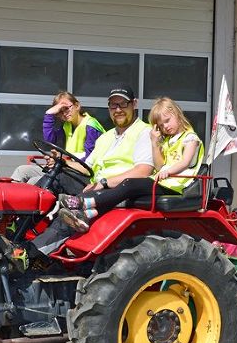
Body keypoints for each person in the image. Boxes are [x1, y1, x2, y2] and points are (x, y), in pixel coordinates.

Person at [26, 87, 154, 256]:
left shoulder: (145, 132)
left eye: (123, 104)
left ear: (134, 104)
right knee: (56, 178)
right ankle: (21, 229)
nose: (118, 110)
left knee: (72, 212)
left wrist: (104, 183)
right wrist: (62, 162)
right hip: (96, 184)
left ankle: (31, 254)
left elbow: (143, 171)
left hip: (120, 190)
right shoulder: (106, 137)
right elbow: (87, 167)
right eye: (113, 105)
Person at [57, 97, 203, 232]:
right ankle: (87, 216)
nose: (165, 126)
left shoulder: (190, 138)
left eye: (168, 120)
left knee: (129, 184)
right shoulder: (167, 141)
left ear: (177, 114)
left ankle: (82, 202)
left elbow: (185, 162)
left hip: (177, 185)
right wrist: (154, 142)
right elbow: (159, 166)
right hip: (163, 181)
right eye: (161, 125)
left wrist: (169, 172)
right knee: (123, 197)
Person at [10, 91, 105, 184]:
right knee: (21, 171)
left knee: (35, 181)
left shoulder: (91, 127)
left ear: (77, 106)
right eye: (60, 111)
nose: (64, 113)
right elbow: (50, 140)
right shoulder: (67, 125)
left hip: (86, 174)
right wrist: (49, 114)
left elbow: (89, 162)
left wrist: (63, 161)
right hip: (69, 168)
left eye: (66, 108)